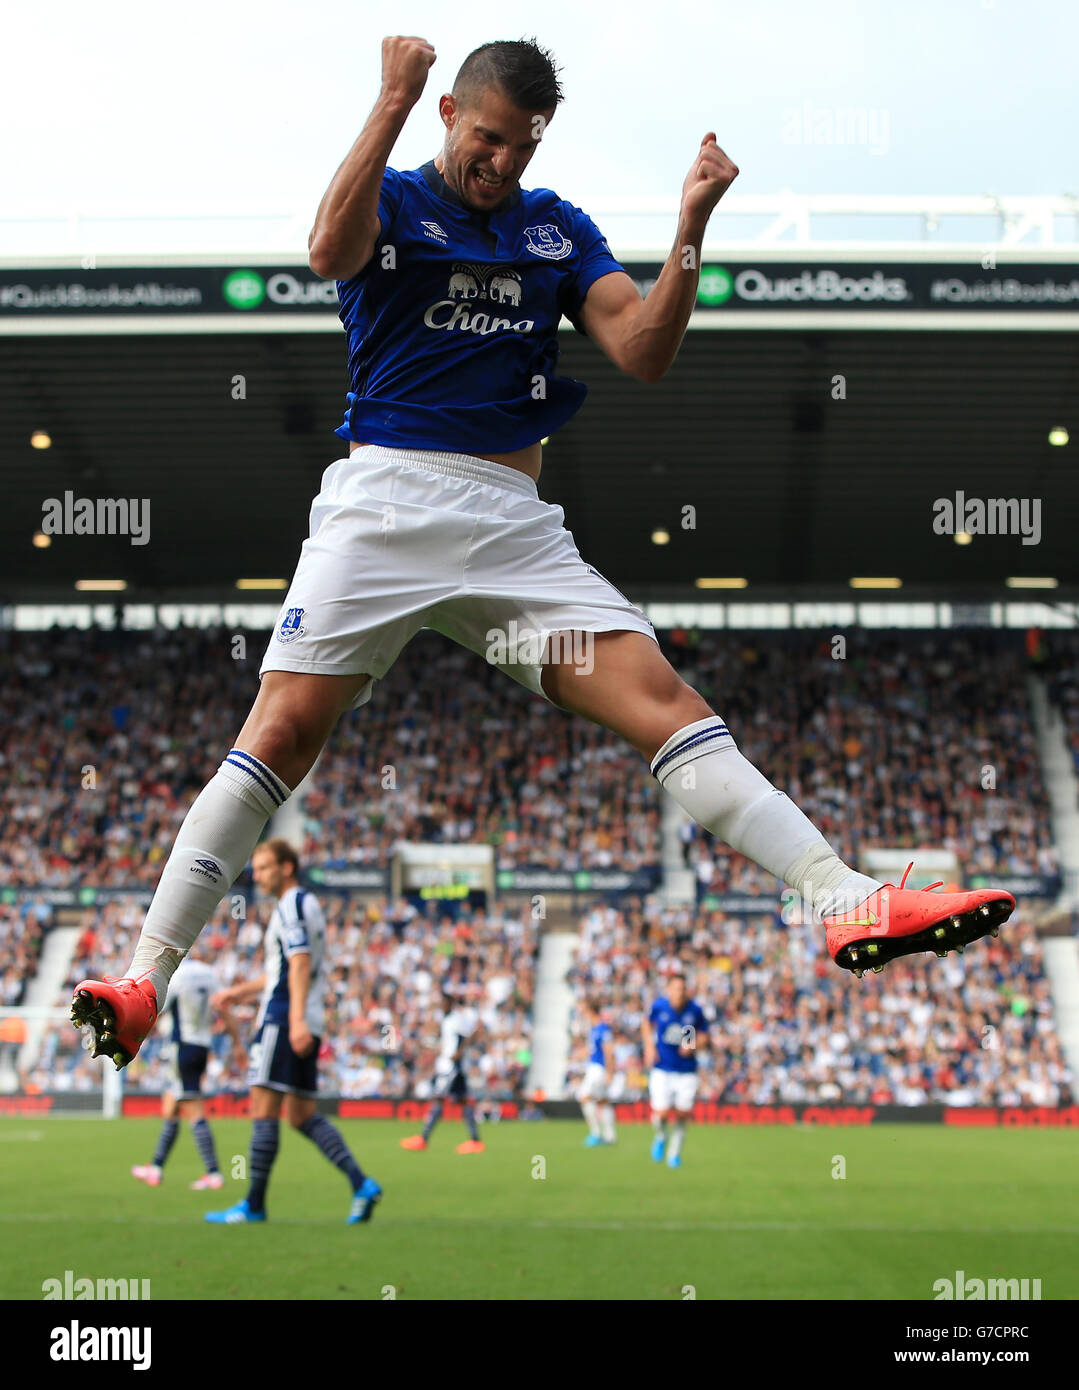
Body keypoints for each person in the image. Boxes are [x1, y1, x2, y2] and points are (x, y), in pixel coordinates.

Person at [70, 35, 1015, 1073]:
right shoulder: (388, 197)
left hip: (509, 521)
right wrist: (388, 97)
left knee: (662, 698)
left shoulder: (554, 230)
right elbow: (325, 253)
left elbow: (644, 351)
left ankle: (844, 899)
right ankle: (147, 976)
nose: (501, 165)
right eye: (486, 140)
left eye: (520, 146)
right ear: (449, 115)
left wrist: (691, 224)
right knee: (284, 725)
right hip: (384, 499)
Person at [203, 839, 381, 1224]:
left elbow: (298, 965)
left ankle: (253, 1205)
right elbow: (284, 969)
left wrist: (295, 1020)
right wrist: (238, 991)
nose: (258, 874)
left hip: (284, 1019)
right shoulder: (309, 904)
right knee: (301, 1116)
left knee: (262, 1109)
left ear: (287, 867)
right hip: (306, 1017)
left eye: (266, 867)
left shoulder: (289, 906)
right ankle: (361, 1184)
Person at [130, 949, 235, 1189]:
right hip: (202, 1046)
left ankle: (214, 1172)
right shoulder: (211, 975)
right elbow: (223, 1007)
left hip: (183, 1047)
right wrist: (236, 1042)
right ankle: (155, 1168)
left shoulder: (179, 976)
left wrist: (137, 1040)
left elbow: (157, 1010)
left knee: (194, 1109)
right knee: (171, 1107)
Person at [400, 989, 486, 1153]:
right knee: (462, 1101)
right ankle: (475, 1141)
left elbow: (470, 1034)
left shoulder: (455, 1019)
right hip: (450, 1065)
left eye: (443, 1003)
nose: (441, 1006)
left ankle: (423, 1139)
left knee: (438, 1099)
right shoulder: (446, 1020)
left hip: (452, 1067)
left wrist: (459, 1053)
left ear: (450, 1004)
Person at [642, 974, 708, 1169]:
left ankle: (674, 1153)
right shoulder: (659, 1006)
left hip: (686, 1070)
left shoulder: (694, 1010)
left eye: (683, 988)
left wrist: (693, 1044)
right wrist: (649, 1047)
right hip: (662, 1067)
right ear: (669, 990)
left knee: (682, 1114)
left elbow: (704, 1034)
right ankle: (661, 1136)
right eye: (676, 988)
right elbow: (646, 1023)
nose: (680, 992)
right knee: (661, 1113)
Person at [578, 997, 616, 1147]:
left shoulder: (603, 1029)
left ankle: (596, 1134)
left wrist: (610, 1072)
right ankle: (610, 1136)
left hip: (599, 1069)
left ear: (590, 1011)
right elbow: (593, 1050)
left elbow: (609, 1051)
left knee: (584, 1097)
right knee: (602, 1101)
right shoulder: (594, 1029)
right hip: (595, 1067)